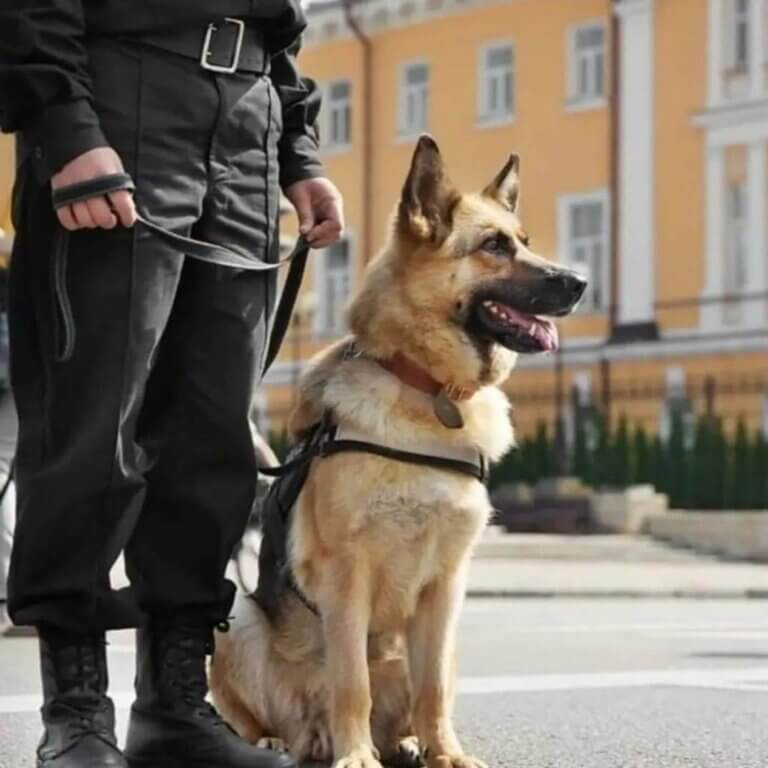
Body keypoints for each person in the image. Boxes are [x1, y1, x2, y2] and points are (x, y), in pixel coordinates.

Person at [0, 2, 344, 767]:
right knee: (92, 427)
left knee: (212, 436)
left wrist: (298, 151)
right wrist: (66, 127)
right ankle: (77, 714)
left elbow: (280, 29)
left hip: (248, 119)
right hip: (122, 96)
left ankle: (175, 706)